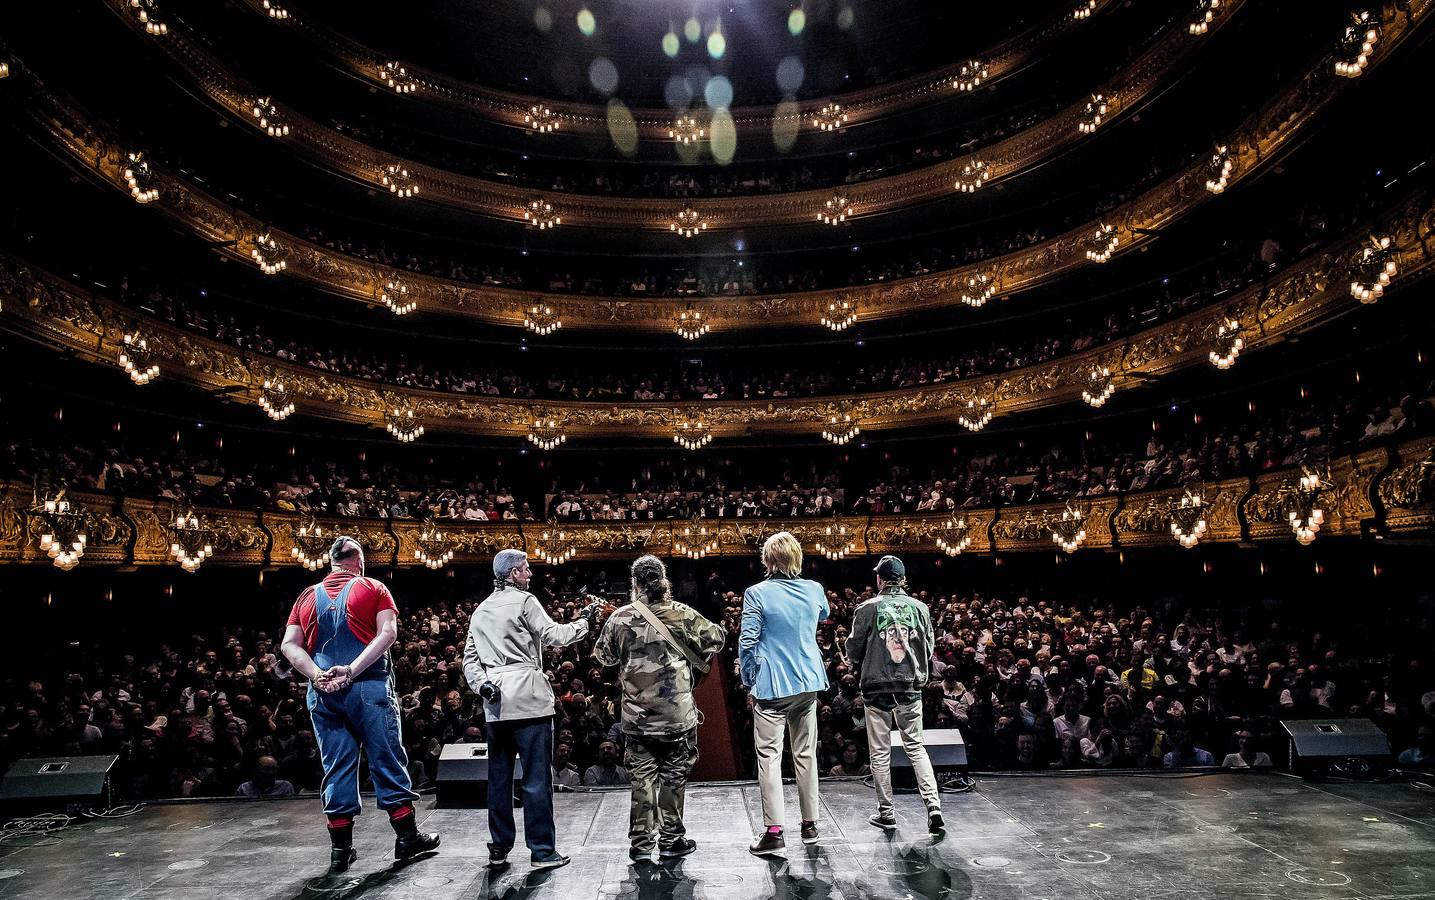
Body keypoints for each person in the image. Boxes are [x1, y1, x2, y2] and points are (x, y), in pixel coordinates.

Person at [280, 536, 439, 875]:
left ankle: (340, 852)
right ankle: (407, 839)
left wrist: (318, 675)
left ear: (332, 562)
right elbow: (388, 634)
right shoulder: (374, 587)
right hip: (367, 687)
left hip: (322, 692)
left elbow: (289, 646)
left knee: (336, 767)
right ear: (358, 561)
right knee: (386, 759)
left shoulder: (307, 596)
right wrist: (351, 670)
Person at [463, 549, 604, 871]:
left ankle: (498, 847)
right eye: (526, 569)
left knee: (498, 780)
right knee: (536, 780)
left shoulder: (480, 610)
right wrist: (585, 620)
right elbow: (555, 635)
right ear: (513, 574)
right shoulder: (525, 601)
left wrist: (480, 685)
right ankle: (541, 851)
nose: (530, 575)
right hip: (529, 700)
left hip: (496, 703)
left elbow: (471, 660)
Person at [593, 555, 725, 863]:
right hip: (676, 715)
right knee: (673, 776)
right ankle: (671, 839)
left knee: (641, 778)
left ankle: (640, 844)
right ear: (663, 581)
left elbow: (603, 657)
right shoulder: (681, 613)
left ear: (635, 583)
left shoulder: (621, 618)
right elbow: (717, 637)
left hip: (637, 718)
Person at [739, 531, 830, 856]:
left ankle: (775, 831)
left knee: (770, 757)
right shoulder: (814, 589)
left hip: (772, 685)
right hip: (807, 681)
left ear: (768, 559)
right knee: (806, 754)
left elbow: (747, 641)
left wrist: (750, 678)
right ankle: (810, 825)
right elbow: (824, 614)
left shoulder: (756, 593)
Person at [844, 555, 944, 834]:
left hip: (876, 688)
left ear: (880, 579)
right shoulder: (920, 608)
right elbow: (929, 648)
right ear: (902, 580)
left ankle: (887, 813)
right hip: (909, 685)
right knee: (916, 747)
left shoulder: (867, 608)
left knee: (879, 753)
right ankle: (933, 806)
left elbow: (853, 651)